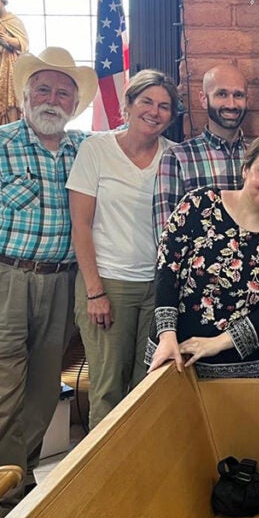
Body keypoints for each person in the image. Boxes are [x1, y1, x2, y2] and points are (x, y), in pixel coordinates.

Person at [0, 47, 96, 511]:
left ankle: (16, 485)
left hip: (59, 284)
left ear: (74, 104)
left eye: (62, 92)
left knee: (43, 394)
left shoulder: (84, 150)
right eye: (42, 89)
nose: (52, 99)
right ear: (24, 98)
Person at [66, 70, 178, 428]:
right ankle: (102, 477)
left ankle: (139, 474)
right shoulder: (96, 149)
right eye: (146, 101)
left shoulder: (175, 157)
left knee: (147, 385)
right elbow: (80, 225)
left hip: (157, 288)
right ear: (128, 105)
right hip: (108, 284)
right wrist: (95, 291)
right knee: (107, 388)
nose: (154, 111)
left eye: (164, 106)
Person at [147, 133, 259, 379]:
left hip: (240, 368)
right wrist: (166, 335)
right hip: (174, 354)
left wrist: (217, 343)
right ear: (246, 169)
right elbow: (167, 269)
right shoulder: (199, 204)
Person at [153, 63, 248, 237]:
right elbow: (166, 236)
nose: (231, 104)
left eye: (238, 95)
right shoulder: (177, 158)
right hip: (196, 263)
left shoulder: (258, 156)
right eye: (222, 94)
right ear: (203, 99)